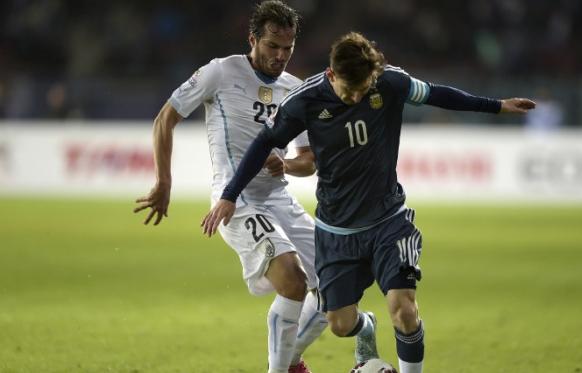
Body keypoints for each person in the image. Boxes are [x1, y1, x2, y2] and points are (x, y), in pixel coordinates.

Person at [201, 31, 536, 373]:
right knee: (340, 324)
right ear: (331, 76)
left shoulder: (388, 82)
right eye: (350, 90)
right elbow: (263, 143)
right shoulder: (304, 101)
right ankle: (366, 330)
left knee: (404, 309)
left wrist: (496, 106)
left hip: (389, 221)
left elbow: (438, 94)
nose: (358, 96)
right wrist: (229, 195)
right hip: (336, 231)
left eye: (364, 89)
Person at [133, 2, 327, 373]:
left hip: (280, 199)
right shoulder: (221, 72)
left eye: (288, 48)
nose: (280, 56)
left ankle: (290, 360)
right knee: (291, 278)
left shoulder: (296, 89)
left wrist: (285, 164)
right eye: (272, 46)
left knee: (338, 283)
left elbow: (308, 160)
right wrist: (164, 180)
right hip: (235, 202)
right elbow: (165, 118)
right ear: (253, 39)